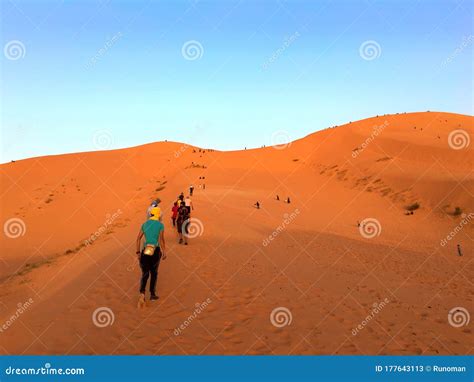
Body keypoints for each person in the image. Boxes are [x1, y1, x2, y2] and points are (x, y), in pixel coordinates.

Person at [136, 207, 166, 303]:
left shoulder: (144, 224)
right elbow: (161, 240)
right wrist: (164, 251)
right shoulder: (160, 225)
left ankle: (142, 293)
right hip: (155, 250)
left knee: (145, 273)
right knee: (154, 273)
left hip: (145, 250)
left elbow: (138, 239)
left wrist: (138, 252)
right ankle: (152, 294)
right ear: (159, 215)